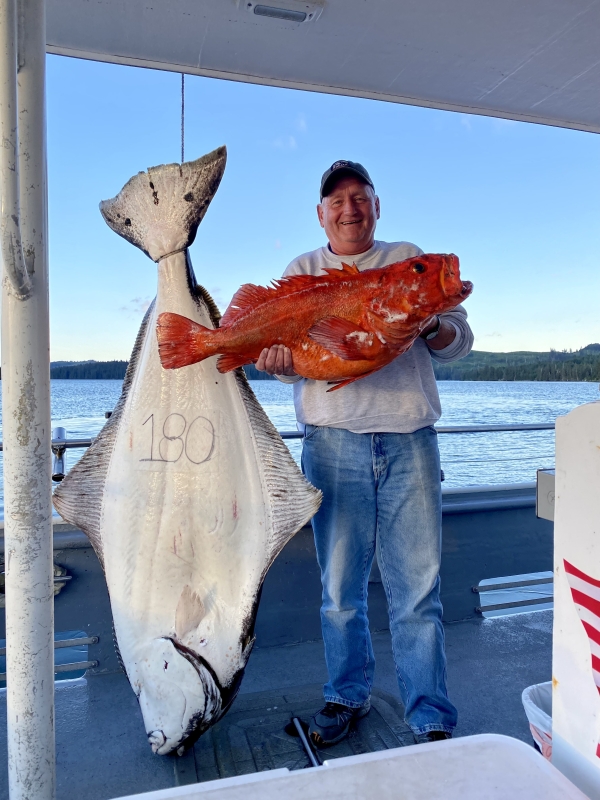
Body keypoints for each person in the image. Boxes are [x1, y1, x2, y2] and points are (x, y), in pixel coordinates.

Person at [256, 160, 473, 746]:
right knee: (338, 590)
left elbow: (458, 342)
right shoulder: (302, 270)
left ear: (377, 205)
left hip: (411, 443)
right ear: (321, 213)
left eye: (359, 197)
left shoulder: (409, 258)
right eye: (336, 200)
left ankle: (429, 715)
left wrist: (427, 321)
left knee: (417, 591)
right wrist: (271, 361)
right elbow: (288, 363)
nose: (349, 208)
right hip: (331, 444)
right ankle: (345, 696)